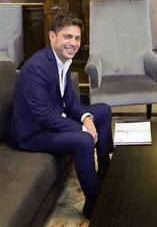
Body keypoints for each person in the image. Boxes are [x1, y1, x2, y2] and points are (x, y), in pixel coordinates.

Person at [8, 13, 114, 219]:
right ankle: (93, 203)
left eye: (77, 38)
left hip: (51, 119)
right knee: (83, 140)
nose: (73, 43)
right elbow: (44, 115)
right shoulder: (36, 69)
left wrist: (86, 118)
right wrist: (84, 129)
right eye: (67, 37)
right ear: (52, 36)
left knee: (102, 111)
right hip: (32, 134)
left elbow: (71, 102)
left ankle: (104, 171)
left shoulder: (62, 60)